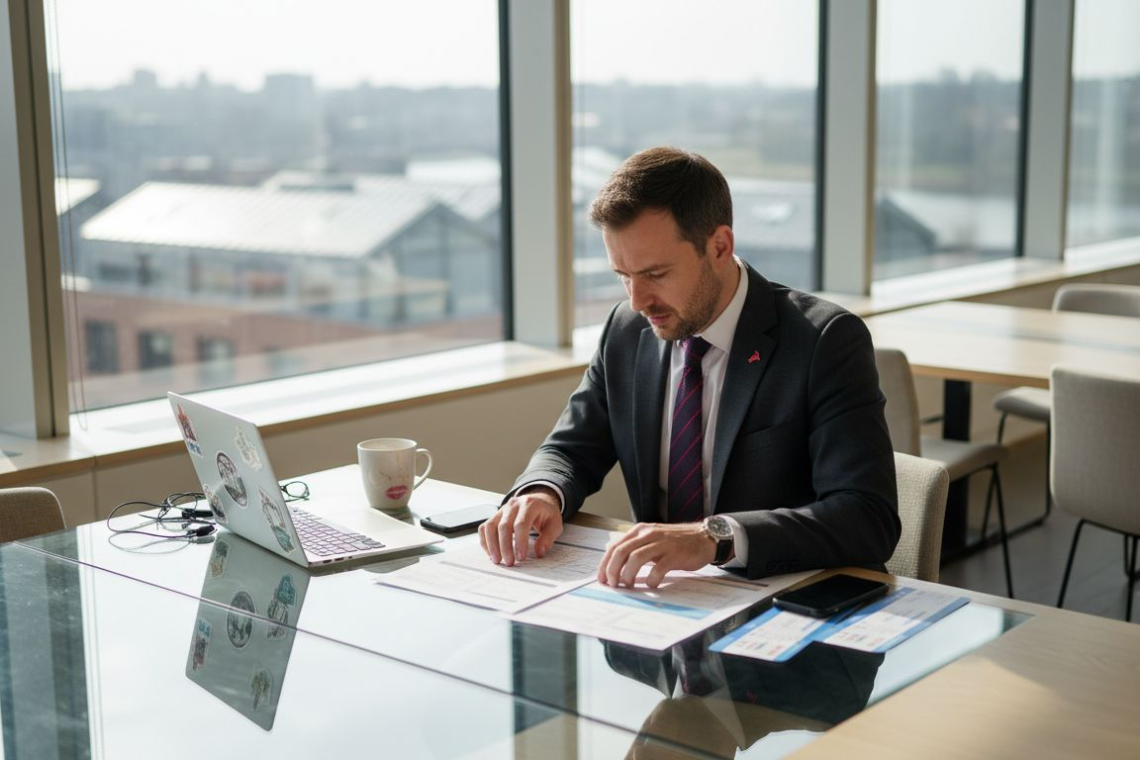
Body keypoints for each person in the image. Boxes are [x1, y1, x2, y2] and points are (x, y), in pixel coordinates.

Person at [479, 146, 899, 586]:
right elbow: (571, 448)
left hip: (788, 601)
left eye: (656, 274)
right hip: (668, 605)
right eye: (623, 275)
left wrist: (714, 537)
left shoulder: (823, 340)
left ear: (719, 246)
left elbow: (867, 516)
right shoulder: (626, 330)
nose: (637, 301)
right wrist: (542, 491)